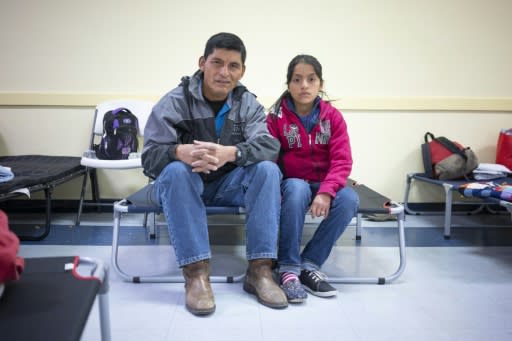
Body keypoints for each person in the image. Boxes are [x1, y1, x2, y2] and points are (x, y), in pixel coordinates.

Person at [142, 32, 287, 315]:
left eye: (233, 66)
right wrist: (177, 152)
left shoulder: (248, 104)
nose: (224, 72)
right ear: (202, 63)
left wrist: (231, 153)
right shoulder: (174, 101)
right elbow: (148, 158)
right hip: (180, 186)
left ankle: (260, 271)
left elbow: (269, 146)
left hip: (226, 185)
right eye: (217, 62)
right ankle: (196, 275)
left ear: (242, 71)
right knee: (176, 172)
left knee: (267, 170)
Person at [266, 54, 359, 303]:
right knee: (296, 189)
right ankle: (288, 268)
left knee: (349, 199)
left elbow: (342, 161)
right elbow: (268, 160)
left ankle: (309, 264)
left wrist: (327, 191)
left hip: (322, 182)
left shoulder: (333, 117)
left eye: (311, 79)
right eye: (297, 80)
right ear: (288, 84)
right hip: (292, 182)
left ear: (320, 83)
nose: (304, 85)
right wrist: (271, 192)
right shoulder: (275, 117)